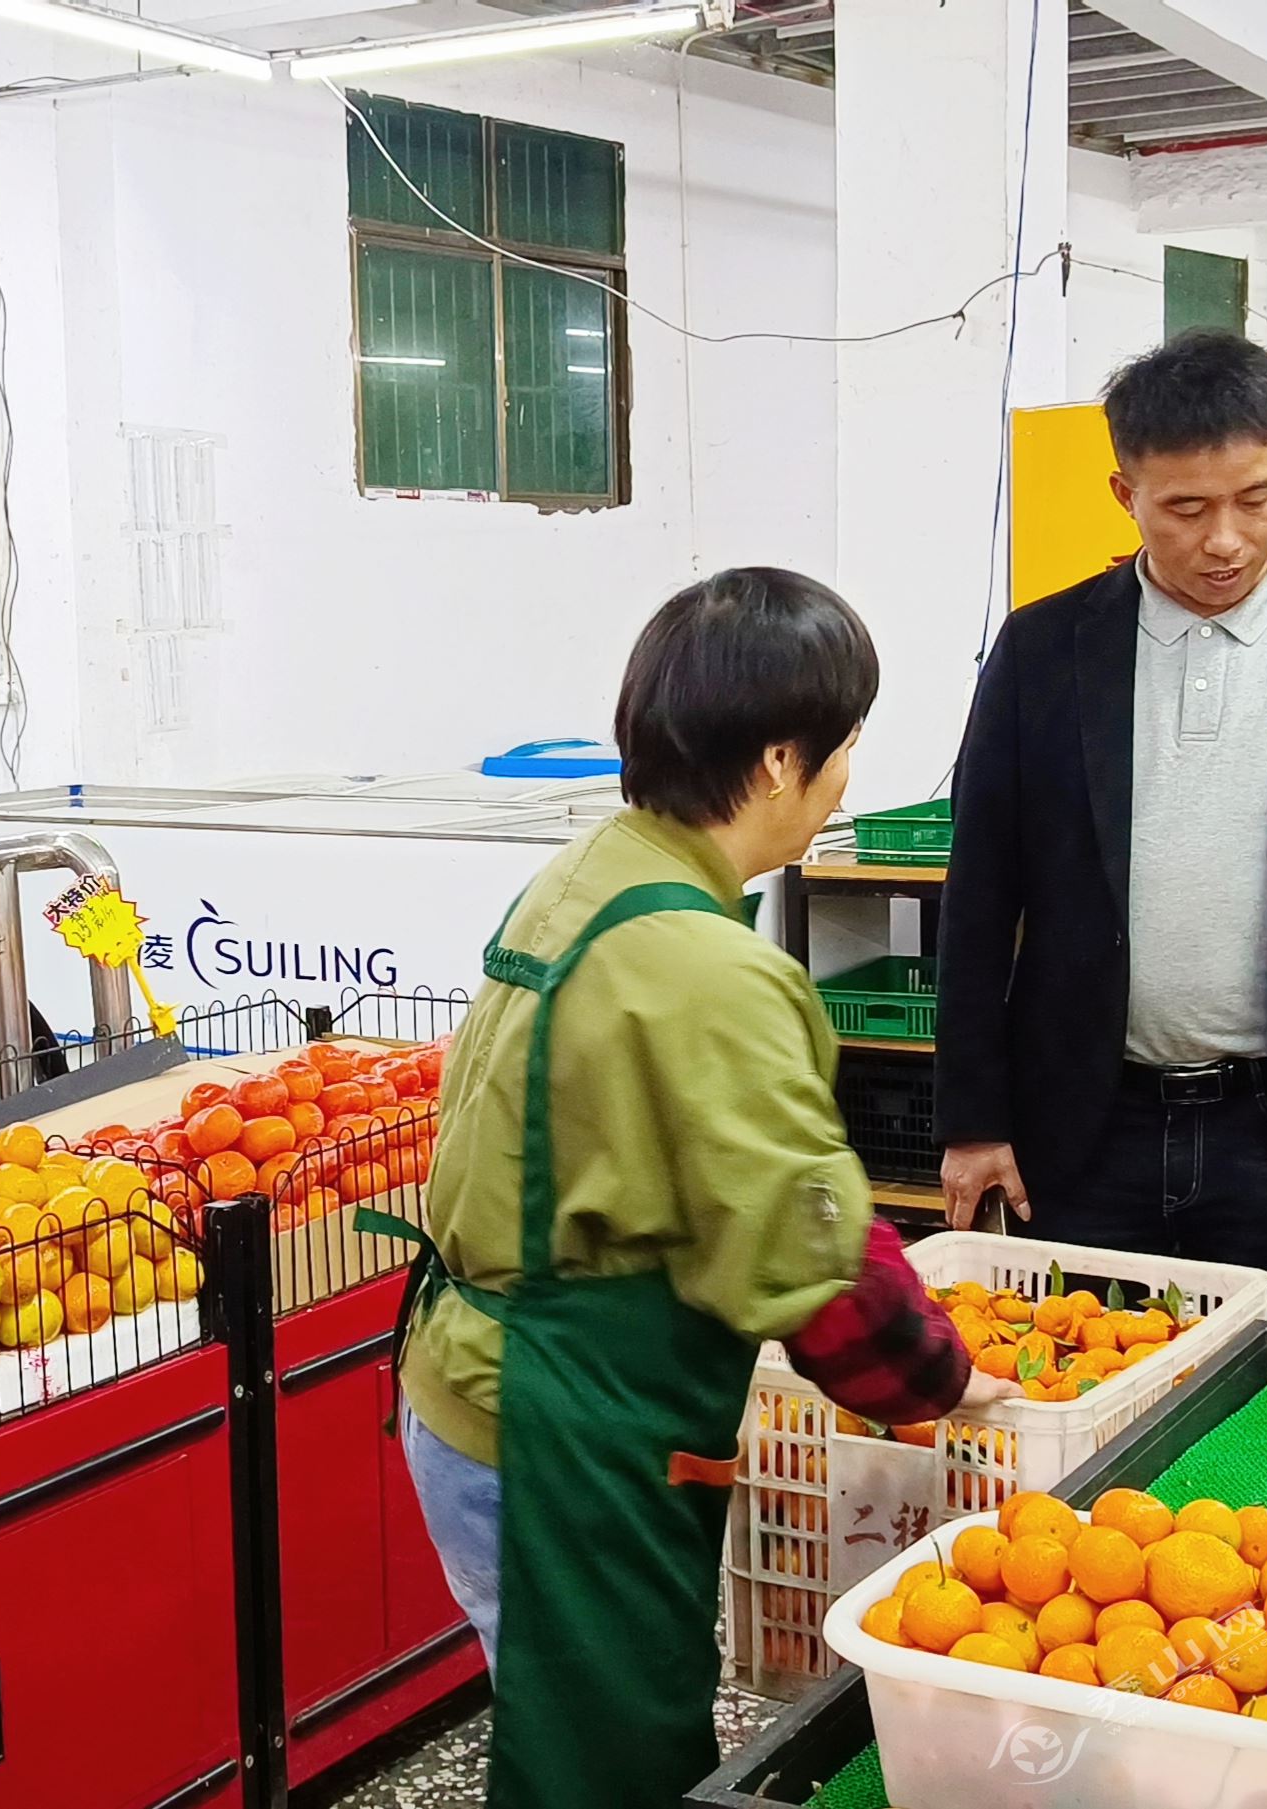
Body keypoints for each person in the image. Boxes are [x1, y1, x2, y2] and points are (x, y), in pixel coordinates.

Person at [382, 569, 983, 1809]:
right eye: (845, 748)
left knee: (575, 1733)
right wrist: (939, 1378)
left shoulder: (594, 873)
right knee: (613, 1768)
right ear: (779, 762)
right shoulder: (709, 968)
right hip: (561, 1432)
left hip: (475, 1386)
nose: (845, 779)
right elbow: (806, 1255)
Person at [933, 331, 1267, 1306]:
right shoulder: (1044, 653)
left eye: (1257, 498)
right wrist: (973, 1118)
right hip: (1084, 1131)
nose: (1225, 540)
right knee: (1086, 1366)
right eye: (1186, 508)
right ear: (1126, 494)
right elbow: (979, 894)